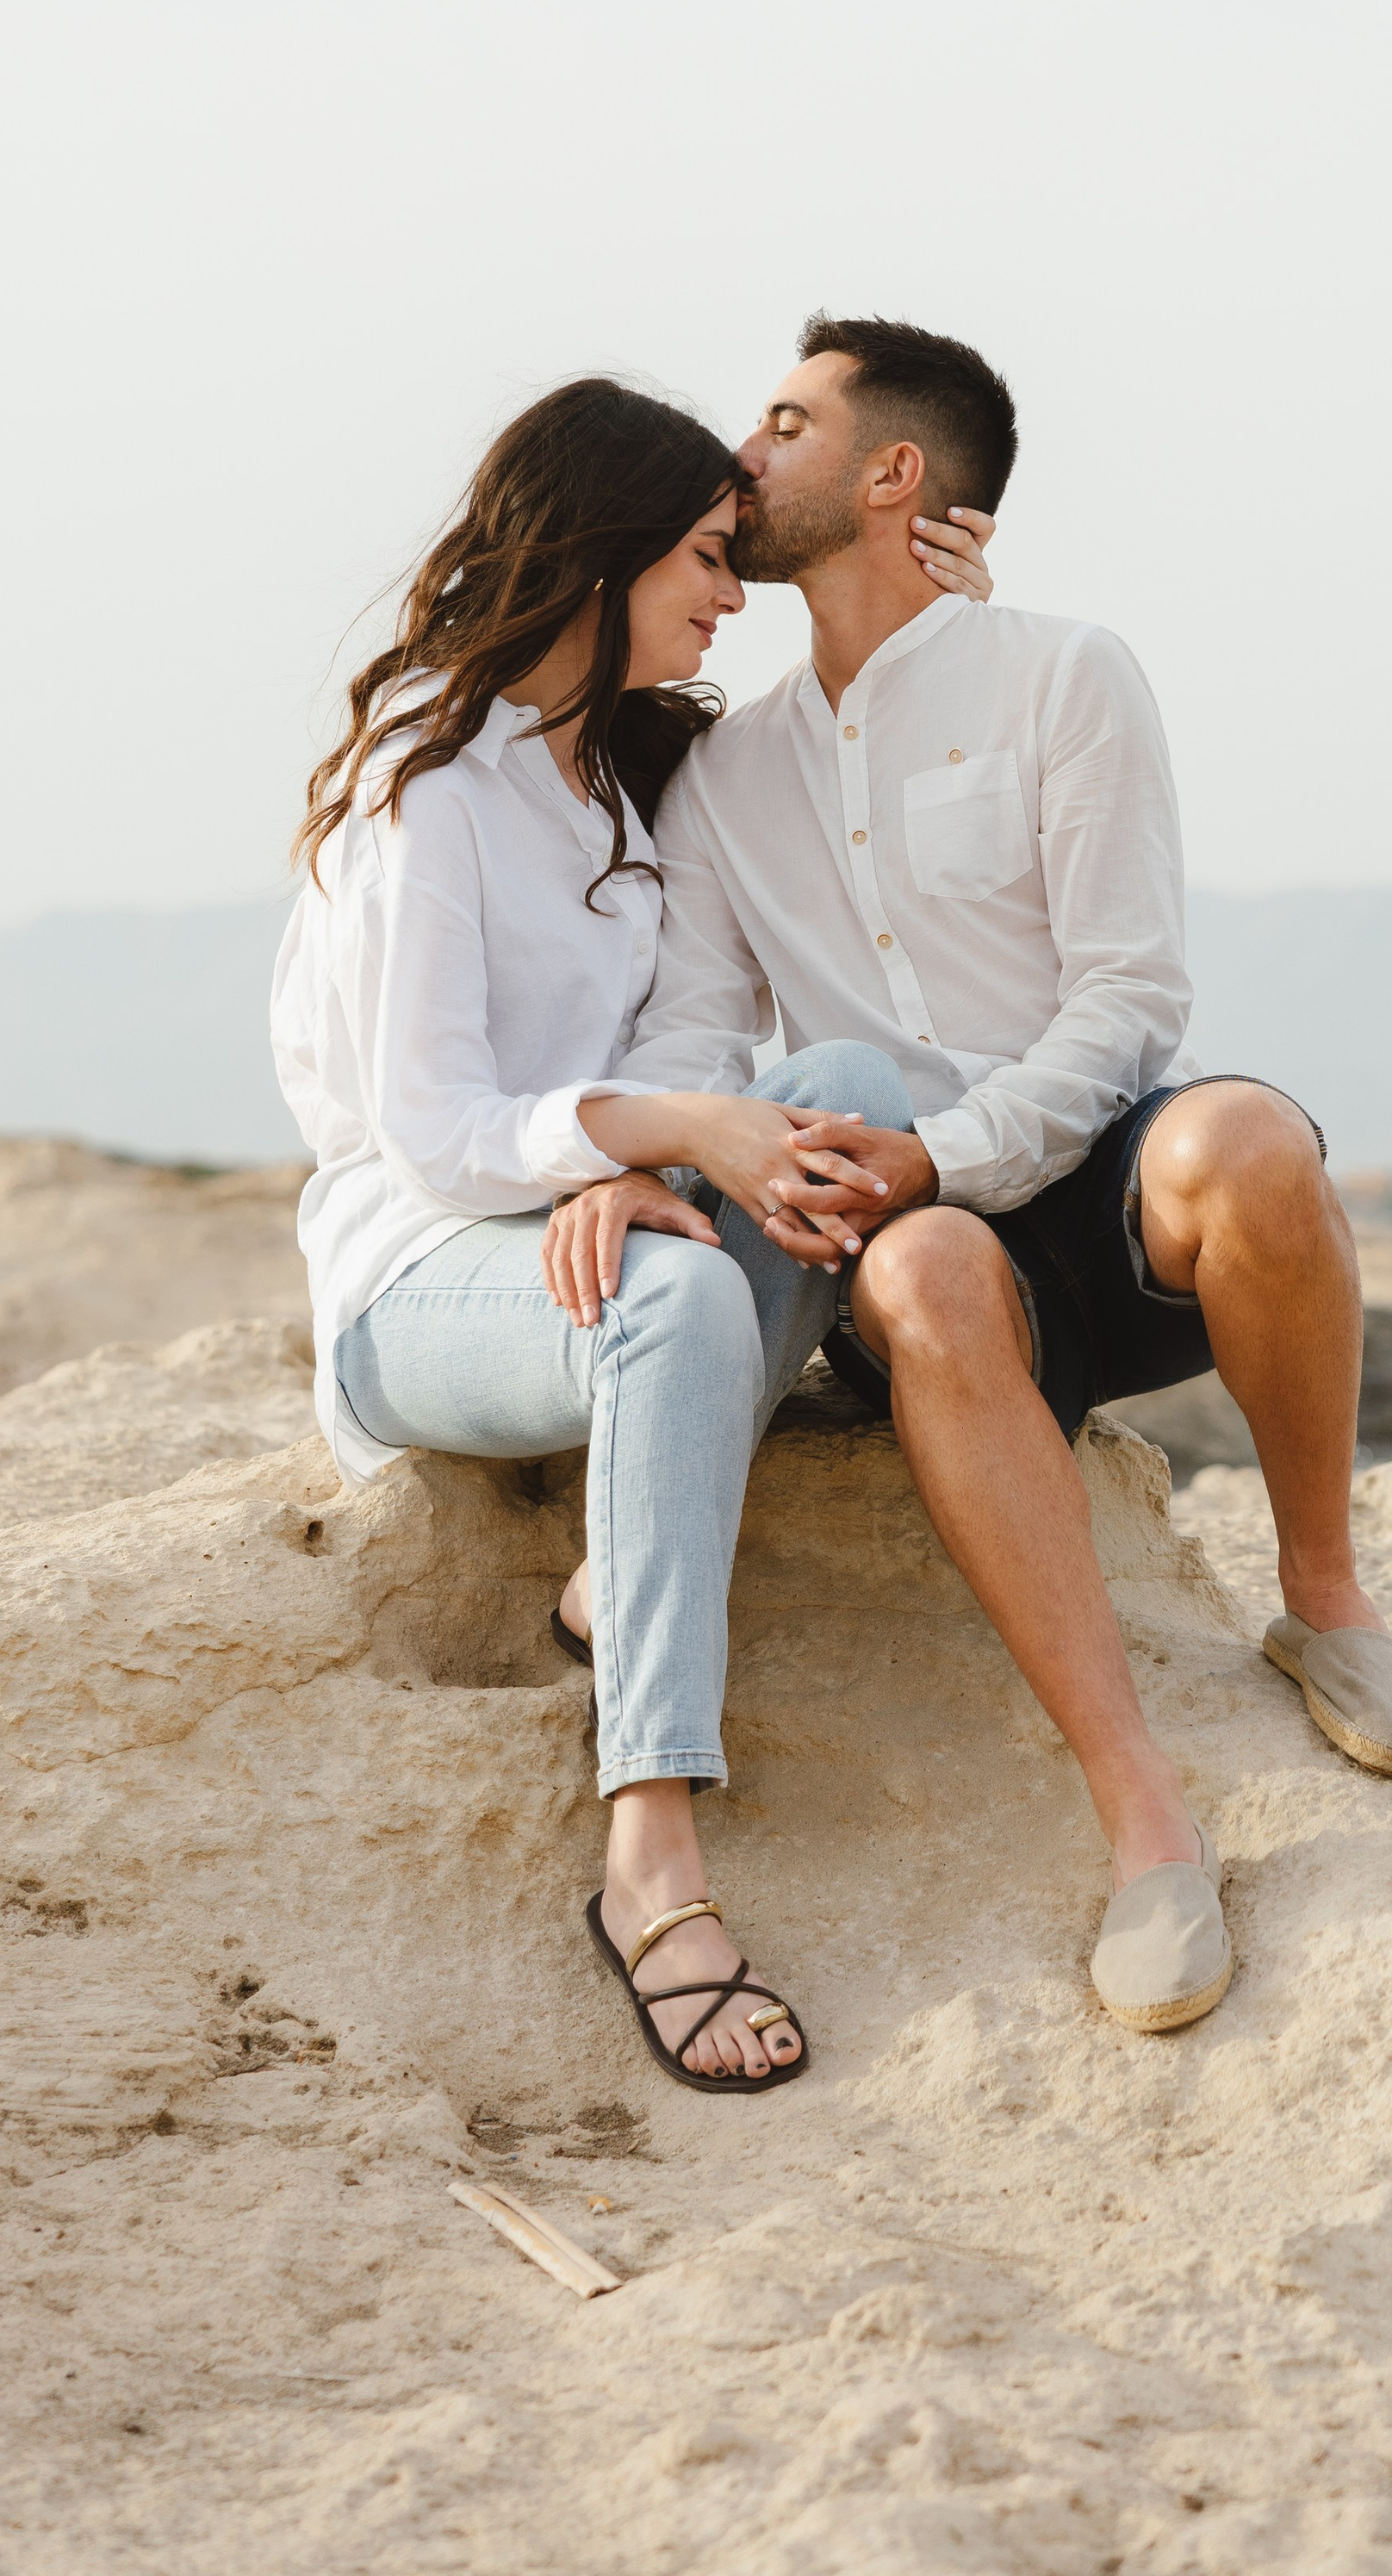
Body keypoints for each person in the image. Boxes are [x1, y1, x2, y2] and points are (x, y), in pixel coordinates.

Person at [545, 315, 1392, 2038]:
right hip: (918, 1265)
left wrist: (952, 1146)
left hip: (1098, 1189)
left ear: (893, 475)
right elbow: (689, 1027)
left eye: (785, 420)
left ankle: (1322, 1596)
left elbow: (1130, 996)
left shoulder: (1055, 673)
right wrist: (638, 1147)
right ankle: (1145, 1820)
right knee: (917, 1267)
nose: (743, 449)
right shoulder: (724, 770)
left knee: (1247, 1134)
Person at [270, 374, 993, 2093]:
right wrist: (629, 1152)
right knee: (674, 1296)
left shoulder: (627, 777)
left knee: (831, 1081)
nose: (726, 597)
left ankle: (625, 1567)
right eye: (701, 557)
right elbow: (435, 1128)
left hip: (587, 1225)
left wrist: (948, 631)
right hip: (413, 1275)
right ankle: (651, 1849)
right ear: (593, 554)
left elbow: (688, 1034)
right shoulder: (424, 787)